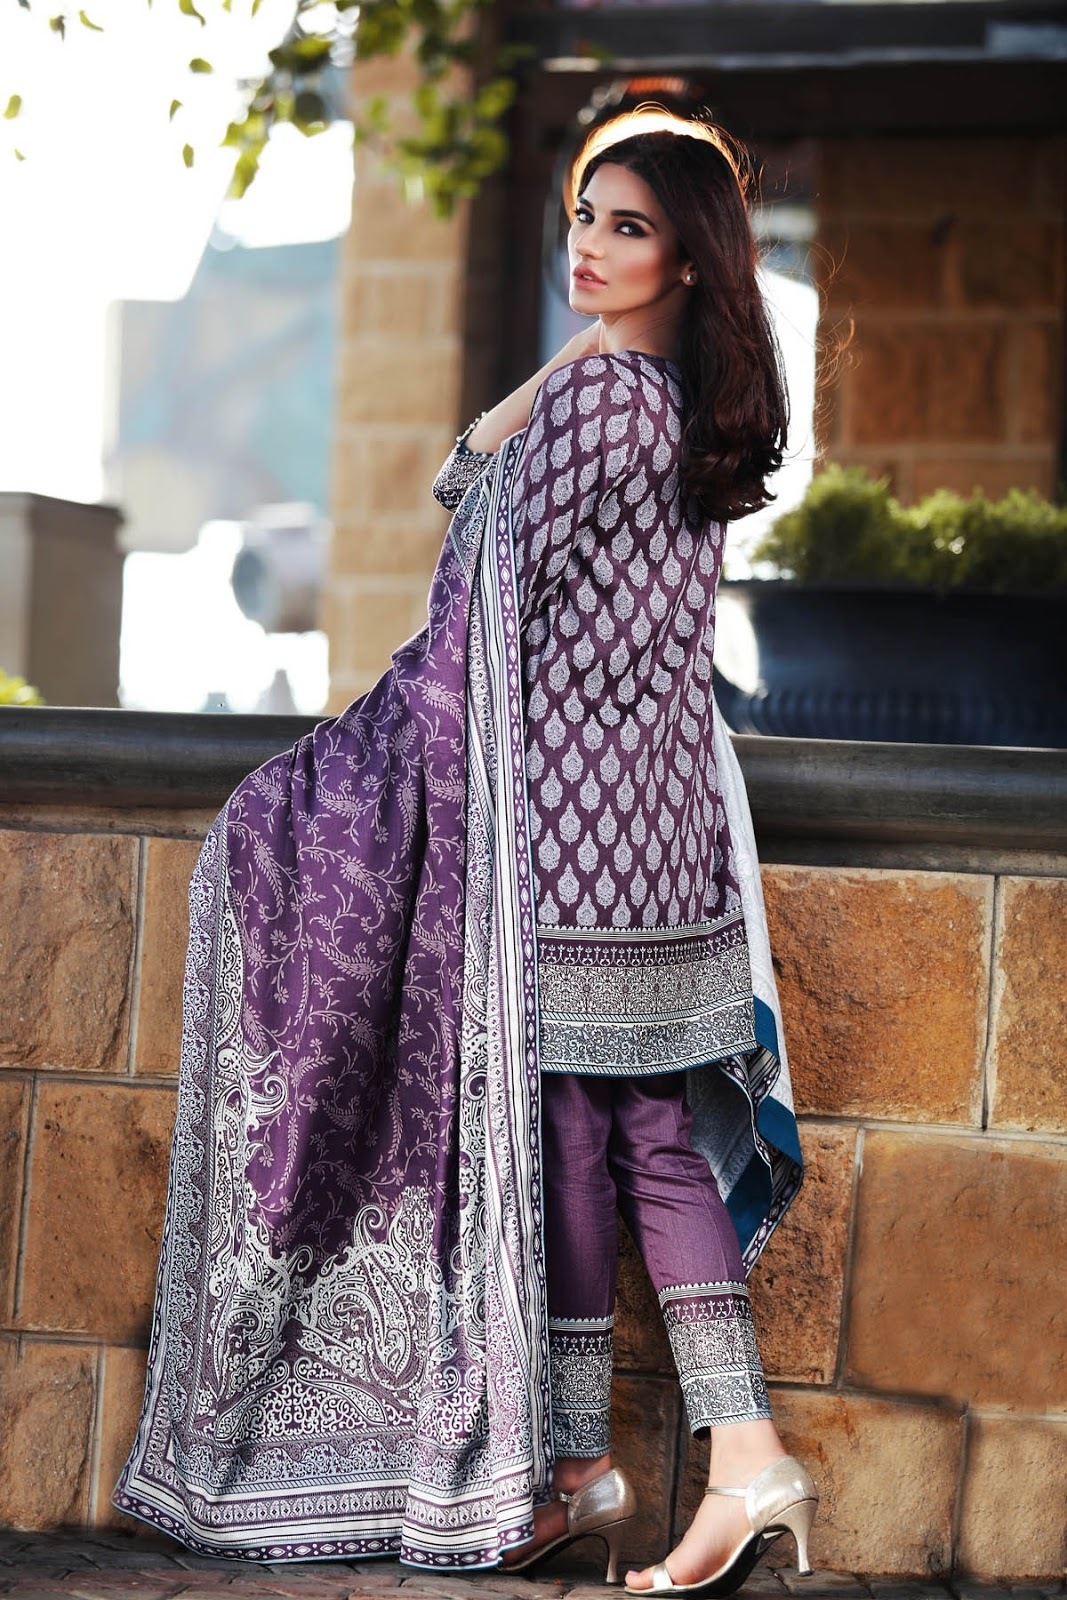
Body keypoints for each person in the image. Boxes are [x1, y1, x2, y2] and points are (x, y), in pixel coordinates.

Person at [115, 111, 815, 1595]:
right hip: (664, 837)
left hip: (566, 838)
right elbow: (479, 496)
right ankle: (674, 1464)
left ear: (691, 253)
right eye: (584, 216)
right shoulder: (687, 405)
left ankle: (625, 1462)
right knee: (641, 1138)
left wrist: (329, 776)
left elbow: (469, 548)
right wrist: (586, 351)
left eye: (627, 227)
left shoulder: (604, 402)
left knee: (580, 1142)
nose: (587, 246)